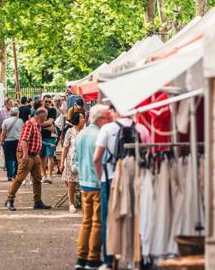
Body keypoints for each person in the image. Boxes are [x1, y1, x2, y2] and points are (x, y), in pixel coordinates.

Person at [93, 106, 151, 269]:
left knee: (109, 220)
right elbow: (148, 153)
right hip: (136, 178)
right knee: (137, 217)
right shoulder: (142, 128)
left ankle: (109, 259)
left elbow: (96, 158)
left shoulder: (107, 129)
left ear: (116, 111)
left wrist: (100, 178)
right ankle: (138, 258)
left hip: (111, 178)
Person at [75, 105, 112, 270]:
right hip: (96, 182)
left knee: (86, 222)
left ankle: (81, 257)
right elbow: (100, 160)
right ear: (100, 119)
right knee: (97, 222)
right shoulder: (99, 135)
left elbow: (76, 158)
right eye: (106, 118)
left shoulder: (81, 134)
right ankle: (92, 258)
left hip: (84, 182)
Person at [5, 108, 51, 211]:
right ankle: (10, 199)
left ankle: (38, 201)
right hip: (27, 154)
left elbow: (35, 140)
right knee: (20, 178)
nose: (46, 119)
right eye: (45, 117)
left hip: (34, 155)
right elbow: (24, 140)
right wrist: (25, 155)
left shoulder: (37, 125)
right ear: (41, 116)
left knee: (37, 178)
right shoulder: (30, 123)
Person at [60, 112, 86, 213]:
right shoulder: (70, 131)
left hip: (83, 160)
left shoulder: (86, 131)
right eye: (82, 118)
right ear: (77, 120)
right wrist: (62, 162)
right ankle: (71, 203)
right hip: (71, 160)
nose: (84, 119)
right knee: (71, 182)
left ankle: (84, 203)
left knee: (83, 182)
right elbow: (65, 147)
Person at [0, 107, 24, 181]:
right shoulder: (20, 121)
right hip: (18, 141)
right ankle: (15, 174)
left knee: (8, 158)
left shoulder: (6, 121)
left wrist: (1, 141)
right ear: (17, 113)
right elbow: (22, 131)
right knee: (17, 158)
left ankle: (9, 175)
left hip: (8, 141)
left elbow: (3, 133)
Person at [40, 94, 57, 184]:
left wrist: (39, 125)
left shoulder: (52, 110)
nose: (47, 103)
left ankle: (50, 176)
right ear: (42, 101)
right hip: (40, 137)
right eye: (46, 101)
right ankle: (44, 175)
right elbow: (35, 121)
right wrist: (46, 126)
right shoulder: (39, 110)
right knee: (42, 157)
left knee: (50, 156)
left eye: (49, 101)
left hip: (50, 137)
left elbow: (50, 122)